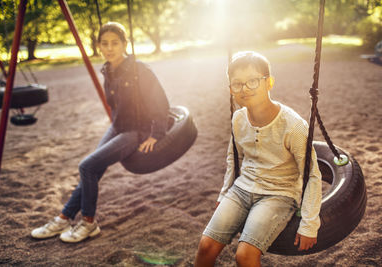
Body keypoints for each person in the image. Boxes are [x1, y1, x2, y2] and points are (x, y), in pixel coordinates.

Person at [31, 22, 169, 243]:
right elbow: (114, 105)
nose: (109, 48)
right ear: (99, 46)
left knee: (86, 166)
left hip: (136, 131)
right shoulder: (109, 70)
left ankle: (88, 223)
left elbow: (160, 102)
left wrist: (156, 134)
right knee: (92, 170)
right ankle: (64, 217)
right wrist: (116, 125)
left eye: (115, 43)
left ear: (125, 44)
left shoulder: (139, 70)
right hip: (117, 127)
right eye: (104, 43)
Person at [194, 51, 322, 267]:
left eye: (253, 81)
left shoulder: (294, 126)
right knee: (206, 246)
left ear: (269, 82)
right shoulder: (238, 118)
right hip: (242, 189)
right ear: (231, 89)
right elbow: (233, 159)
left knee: (244, 255)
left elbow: (312, 175)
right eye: (237, 84)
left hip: (278, 194)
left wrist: (309, 224)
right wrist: (225, 193)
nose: (245, 89)